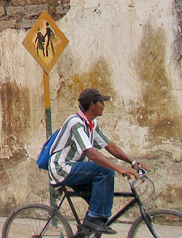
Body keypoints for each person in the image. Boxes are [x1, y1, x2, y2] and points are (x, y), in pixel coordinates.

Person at [48, 88, 144, 235]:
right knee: (105, 171)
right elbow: (90, 153)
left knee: (98, 204)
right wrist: (119, 168)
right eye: (101, 103)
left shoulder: (92, 124)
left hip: (77, 169)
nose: (103, 106)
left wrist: (132, 162)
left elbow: (109, 145)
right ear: (92, 105)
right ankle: (95, 219)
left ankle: (89, 227)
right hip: (62, 168)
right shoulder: (75, 122)